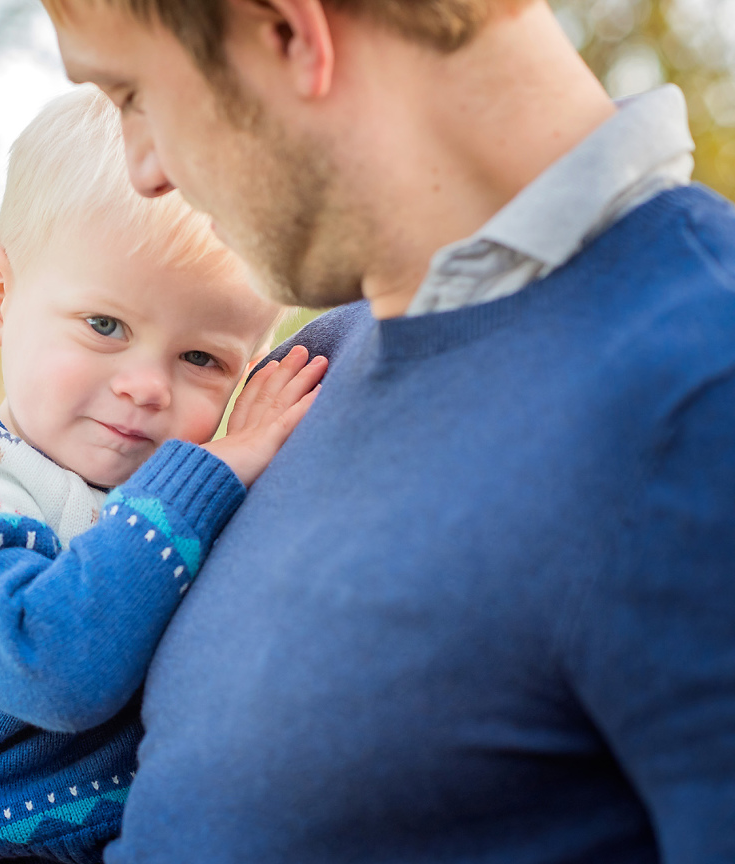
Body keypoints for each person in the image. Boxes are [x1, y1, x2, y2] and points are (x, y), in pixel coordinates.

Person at [42, 0, 735, 861]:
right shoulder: (309, 373)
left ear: (289, 31)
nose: (143, 171)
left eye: (133, 93)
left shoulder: (703, 389)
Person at [0, 87, 326, 864]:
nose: (146, 386)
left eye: (201, 358)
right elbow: (53, 664)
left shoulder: (152, 503)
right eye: (106, 326)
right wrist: (212, 471)